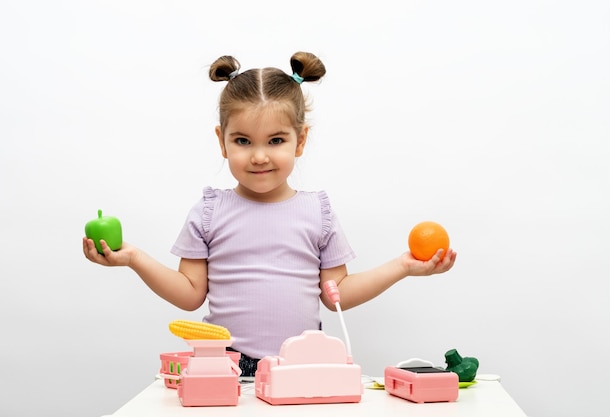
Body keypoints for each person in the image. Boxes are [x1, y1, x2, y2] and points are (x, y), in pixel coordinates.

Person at [82, 51, 457, 376]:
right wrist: (133, 258)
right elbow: (190, 294)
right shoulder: (210, 211)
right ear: (222, 141)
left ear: (301, 140)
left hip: (304, 361)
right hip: (227, 364)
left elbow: (336, 294)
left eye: (276, 140)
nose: (259, 155)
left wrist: (403, 266)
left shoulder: (317, 211)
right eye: (243, 141)